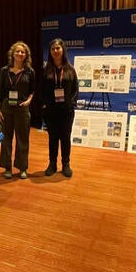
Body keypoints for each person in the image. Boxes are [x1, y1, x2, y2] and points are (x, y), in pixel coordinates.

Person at [0, 41, 35, 179]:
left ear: (26, 55)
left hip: (22, 108)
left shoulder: (30, 72)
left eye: (22, 52)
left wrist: (29, 100)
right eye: (17, 51)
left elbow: (32, 91)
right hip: (6, 108)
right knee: (6, 138)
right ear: (13, 53)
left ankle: (22, 168)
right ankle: (7, 167)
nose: (19, 53)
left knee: (22, 139)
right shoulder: (4, 71)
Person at [41, 38, 79, 177]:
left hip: (67, 111)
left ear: (63, 50)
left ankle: (66, 164)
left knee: (65, 137)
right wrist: (45, 105)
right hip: (51, 111)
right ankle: (52, 164)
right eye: (53, 49)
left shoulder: (70, 69)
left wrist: (71, 103)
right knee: (53, 138)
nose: (55, 51)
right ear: (50, 52)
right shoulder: (45, 70)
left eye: (58, 48)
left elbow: (75, 89)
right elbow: (41, 90)